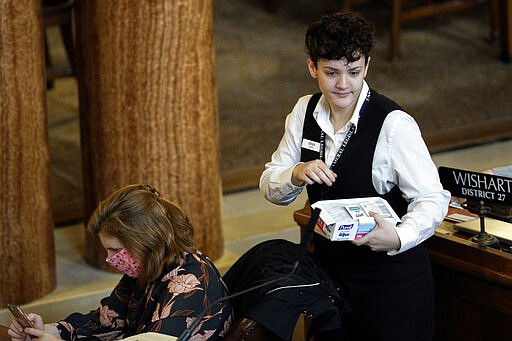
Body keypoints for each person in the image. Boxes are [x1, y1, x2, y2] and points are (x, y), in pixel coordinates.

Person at [259, 12, 451, 341]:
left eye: (354, 72)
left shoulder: (393, 124)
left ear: (367, 66)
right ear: (312, 67)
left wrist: (399, 237)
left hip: (392, 286)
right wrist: (295, 173)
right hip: (331, 278)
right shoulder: (303, 112)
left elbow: (433, 198)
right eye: (331, 73)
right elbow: (270, 184)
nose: (343, 84)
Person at [9, 184, 233, 341]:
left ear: (144, 240)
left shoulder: (189, 282)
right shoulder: (149, 268)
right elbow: (106, 320)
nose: (109, 259)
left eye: (115, 250)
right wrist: (48, 330)